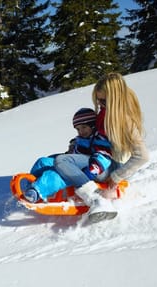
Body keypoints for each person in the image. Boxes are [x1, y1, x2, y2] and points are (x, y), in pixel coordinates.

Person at [54, 72, 149, 223]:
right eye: (98, 100)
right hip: (98, 159)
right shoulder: (106, 114)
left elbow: (142, 156)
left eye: (103, 101)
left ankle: (96, 198)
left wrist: (117, 176)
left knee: (62, 161)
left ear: (114, 99)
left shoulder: (124, 121)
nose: (99, 104)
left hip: (109, 167)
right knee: (57, 159)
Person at [24, 107, 113, 203]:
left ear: (92, 126)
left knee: (58, 173)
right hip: (77, 163)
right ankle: (30, 187)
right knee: (43, 162)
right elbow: (74, 155)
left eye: (84, 127)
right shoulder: (81, 140)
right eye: (78, 129)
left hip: (95, 169)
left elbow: (104, 157)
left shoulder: (99, 138)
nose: (81, 131)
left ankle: (38, 191)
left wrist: (90, 172)